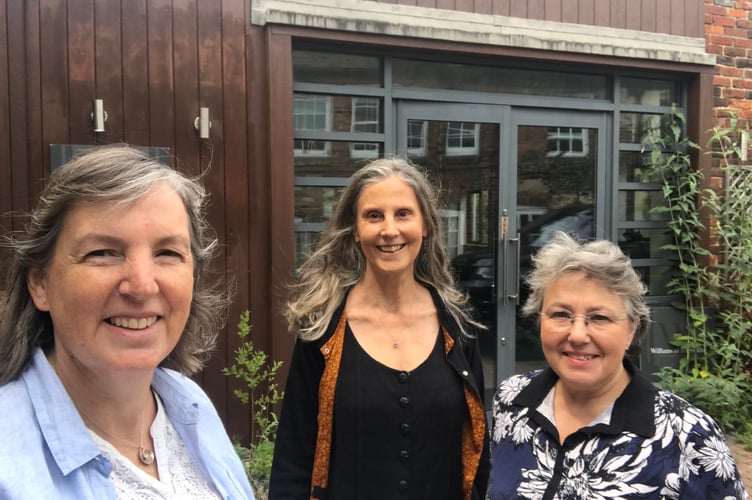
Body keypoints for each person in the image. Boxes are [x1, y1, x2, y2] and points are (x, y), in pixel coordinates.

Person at [0, 145, 254, 499]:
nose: (141, 285)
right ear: (40, 284)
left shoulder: (190, 405)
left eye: (167, 253)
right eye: (102, 253)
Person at [268, 157, 489, 500]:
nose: (389, 230)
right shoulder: (323, 330)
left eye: (403, 213)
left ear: (426, 225)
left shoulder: (458, 328)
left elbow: (477, 454)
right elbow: (293, 456)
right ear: (355, 230)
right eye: (374, 216)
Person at [487, 231, 748, 499]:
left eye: (599, 317)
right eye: (561, 314)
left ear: (632, 329)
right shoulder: (512, 401)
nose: (577, 335)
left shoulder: (687, 437)